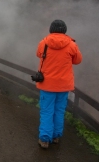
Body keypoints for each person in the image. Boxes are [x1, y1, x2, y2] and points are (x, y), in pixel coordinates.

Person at [35, 19, 82, 149]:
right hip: (63, 86)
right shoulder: (72, 45)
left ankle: (44, 140)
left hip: (47, 84)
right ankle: (56, 136)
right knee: (59, 111)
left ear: (51, 30)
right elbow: (77, 60)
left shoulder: (44, 43)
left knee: (47, 111)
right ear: (64, 30)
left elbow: (39, 54)